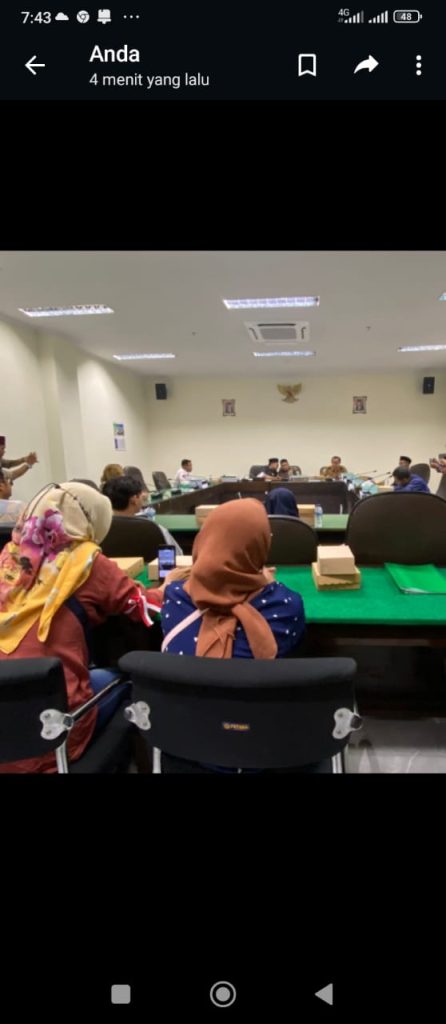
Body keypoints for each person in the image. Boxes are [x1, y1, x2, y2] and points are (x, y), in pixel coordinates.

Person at [0, 482, 164, 773]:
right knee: (129, 682)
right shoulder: (85, 560)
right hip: (52, 739)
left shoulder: (9, 555)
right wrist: (169, 587)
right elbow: (144, 607)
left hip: (7, 731)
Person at [160, 498, 306, 773]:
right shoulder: (287, 604)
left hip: (185, 742)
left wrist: (170, 583)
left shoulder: (174, 596)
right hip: (262, 749)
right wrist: (263, 582)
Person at [103, 475, 183, 553]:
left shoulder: (100, 529)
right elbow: (177, 555)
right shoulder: (154, 528)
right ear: (134, 499)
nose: (144, 496)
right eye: (141, 494)